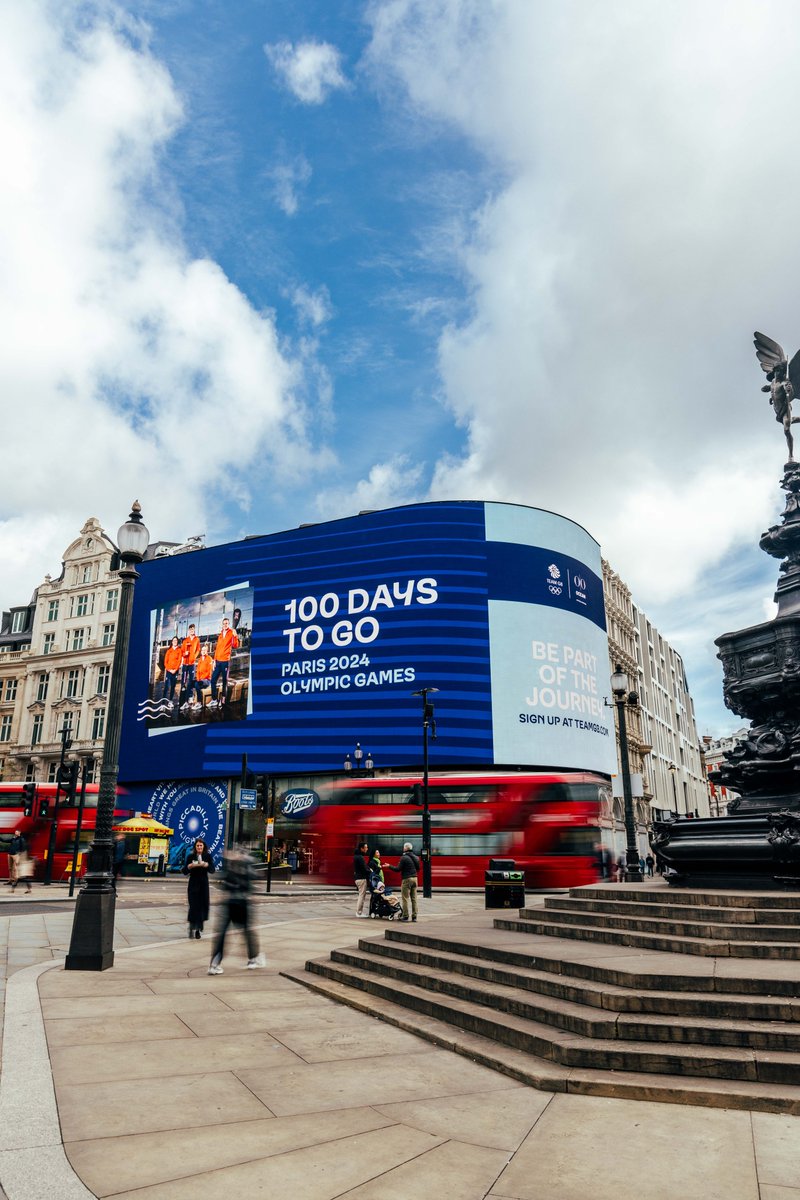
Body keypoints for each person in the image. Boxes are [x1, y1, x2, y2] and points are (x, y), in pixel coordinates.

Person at [208, 845, 264, 973]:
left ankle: (216, 963)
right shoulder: (238, 866)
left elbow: (224, 883)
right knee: (242, 931)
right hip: (236, 902)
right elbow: (253, 879)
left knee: (239, 931)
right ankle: (253, 958)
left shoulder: (238, 865)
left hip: (235, 902)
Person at [183, 838, 215, 938]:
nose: (199, 847)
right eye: (197, 846)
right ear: (195, 847)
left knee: (202, 906)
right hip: (193, 884)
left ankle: (198, 930)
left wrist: (206, 864)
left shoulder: (207, 856)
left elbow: (212, 870)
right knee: (193, 906)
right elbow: (184, 871)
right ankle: (191, 927)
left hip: (203, 884)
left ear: (204, 847)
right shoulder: (190, 856)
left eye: (201, 846)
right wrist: (189, 866)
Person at [386, 842, 420, 922]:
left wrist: (389, 866)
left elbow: (398, 869)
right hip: (415, 879)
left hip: (407, 879)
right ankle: (414, 917)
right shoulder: (416, 857)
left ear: (405, 848)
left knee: (405, 898)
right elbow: (418, 869)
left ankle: (405, 916)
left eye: (403, 848)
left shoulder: (404, 858)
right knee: (414, 899)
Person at [209, 617, 239, 708]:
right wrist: (214, 661)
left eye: (226, 623)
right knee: (213, 680)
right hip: (218, 662)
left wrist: (235, 635)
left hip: (225, 661)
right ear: (222, 624)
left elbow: (235, 645)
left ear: (228, 624)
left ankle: (223, 700)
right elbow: (217, 649)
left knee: (225, 681)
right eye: (224, 623)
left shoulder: (231, 632)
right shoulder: (220, 634)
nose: (225, 625)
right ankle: (214, 700)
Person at [179, 624, 201, 709]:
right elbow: (182, 652)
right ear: (189, 631)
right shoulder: (185, 641)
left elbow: (198, 650)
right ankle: (182, 699)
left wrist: (194, 657)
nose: (192, 631)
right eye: (190, 629)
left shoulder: (197, 639)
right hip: (185, 663)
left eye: (193, 629)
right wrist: (185, 654)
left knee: (191, 681)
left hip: (192, 664)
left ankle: (191, 697)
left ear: (194, 630)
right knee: (183, 681)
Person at [161, 637, 182, 707]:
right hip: (169, 671)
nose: (175, 641)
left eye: (176, 640)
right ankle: (163, 703)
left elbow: (179, 661)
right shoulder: (169, 650)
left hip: (175, 672)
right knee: (166, 687)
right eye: (174, 640)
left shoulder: (179, 650)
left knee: (173, 687)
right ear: (172, 642)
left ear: (177, 642)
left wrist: (175, 670)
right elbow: (165, 662)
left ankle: (170, 701)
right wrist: (169, 669)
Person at [353, 841, 369, 917]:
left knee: (361, 895)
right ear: (361, 848)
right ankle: (359, 912)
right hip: (361, 878)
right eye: (366, 847)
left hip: (357, 878)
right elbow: (364, 868)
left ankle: (359, 912)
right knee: (361, 896)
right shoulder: (360, 857)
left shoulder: (356, 856)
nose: (367, 849)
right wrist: (371, 871)